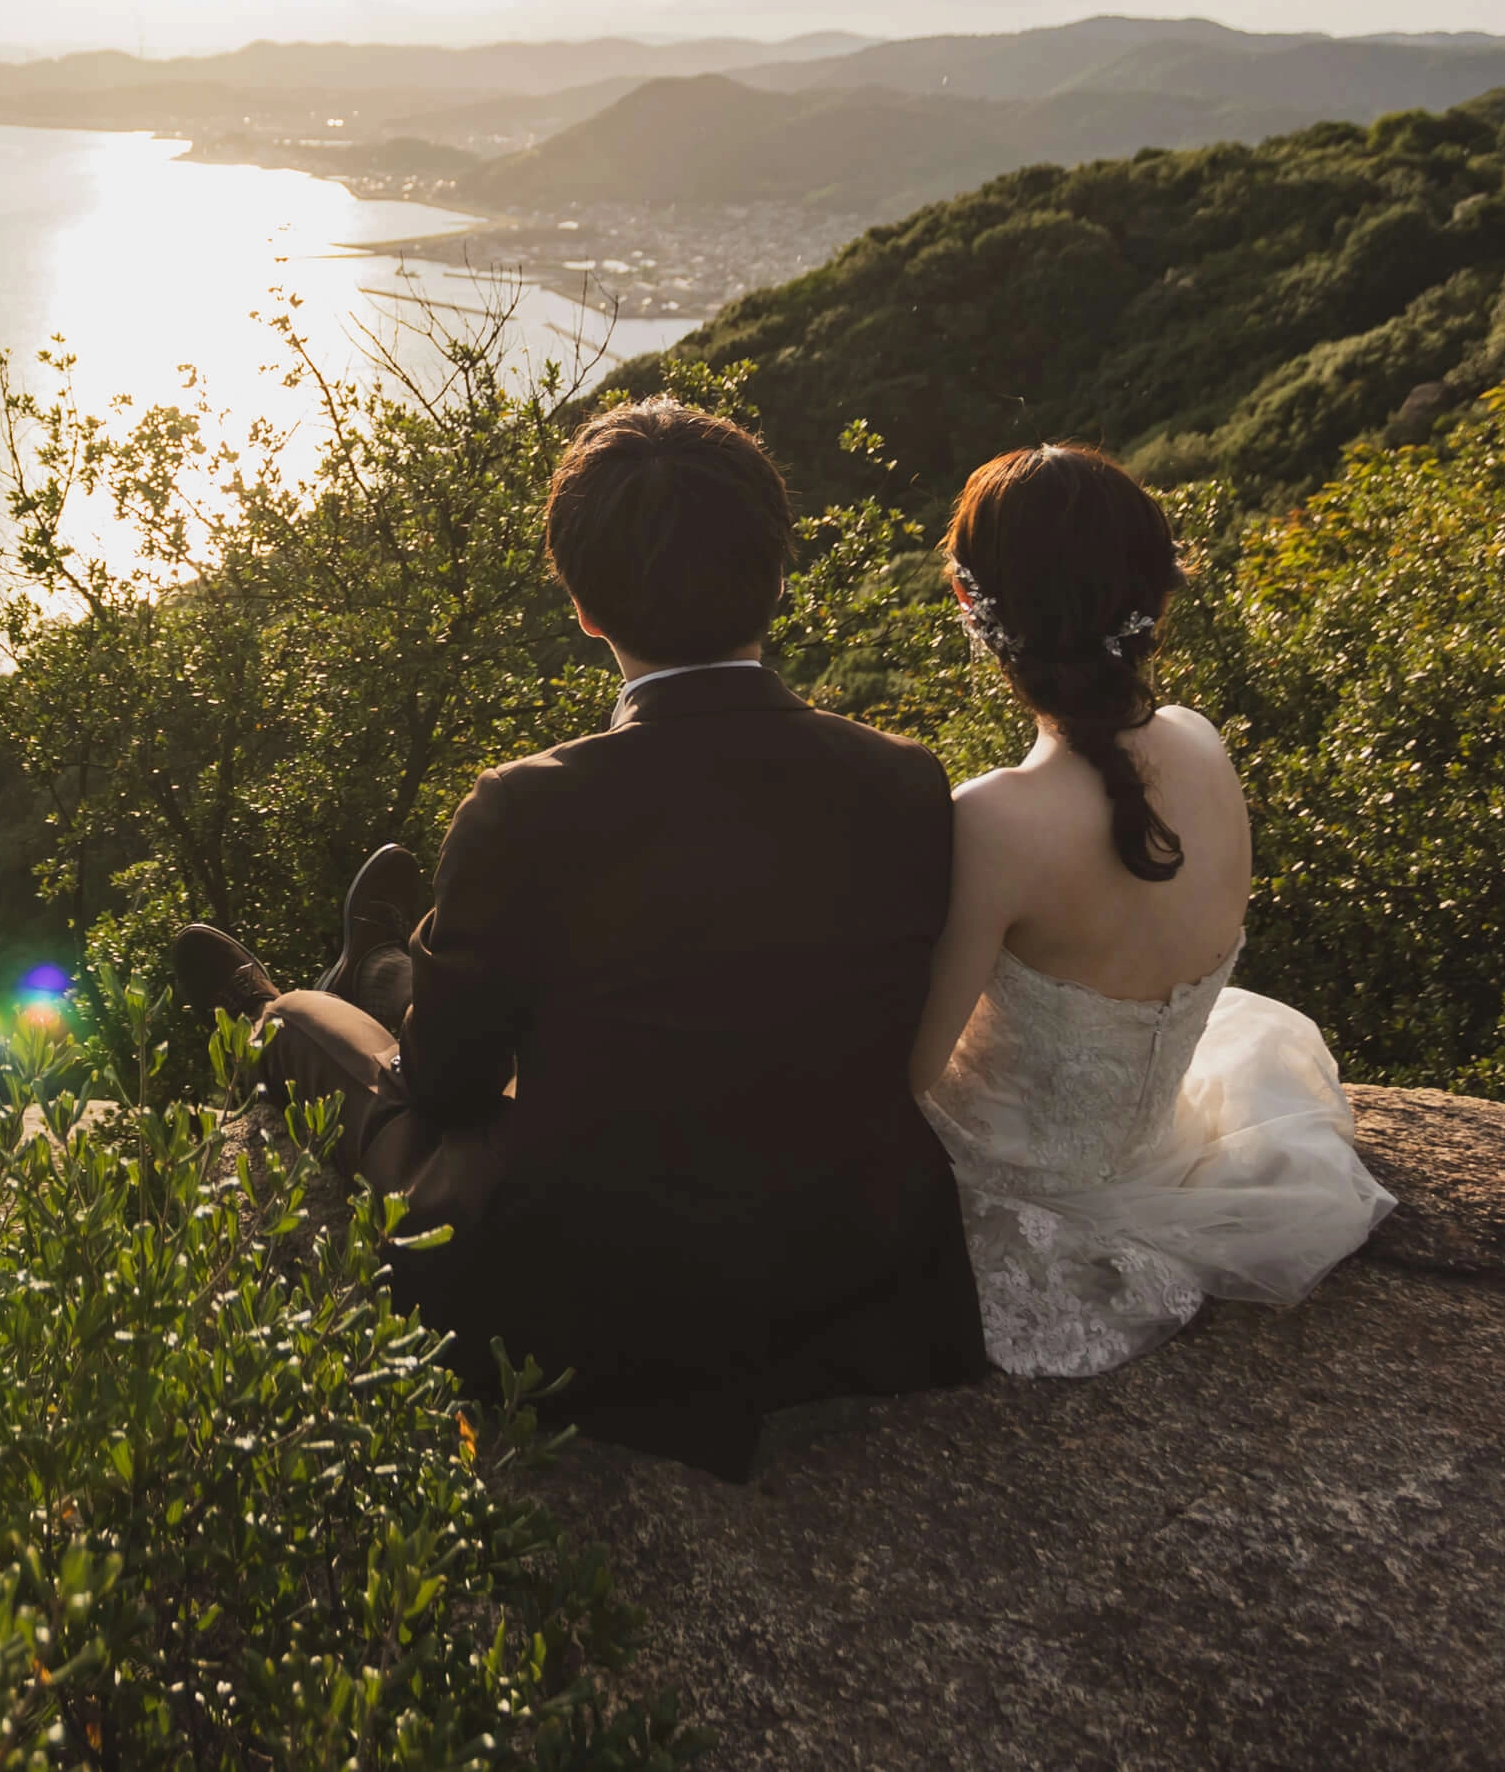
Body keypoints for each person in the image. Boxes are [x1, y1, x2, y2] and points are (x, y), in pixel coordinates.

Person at [170, 398, 986, 1474]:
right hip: (851, 1272)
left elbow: (448, 1087)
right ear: (777, 576)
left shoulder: (526, 805)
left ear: (582, 606)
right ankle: (382, 959)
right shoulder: (904, 779)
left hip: (596, 1303)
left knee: (317, 1035)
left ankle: (285, 998)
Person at [908, 443, 1393, 1378]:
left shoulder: (993, 819)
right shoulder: (1203, 748)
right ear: (1156, 597)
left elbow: (914, 1070)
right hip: (1161, 1152)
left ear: (974, 608)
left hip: (1014, 1192)